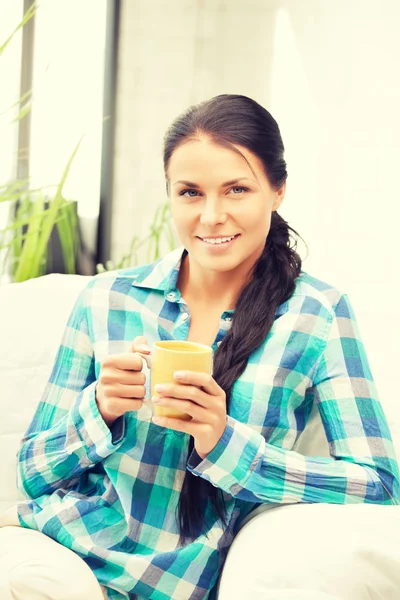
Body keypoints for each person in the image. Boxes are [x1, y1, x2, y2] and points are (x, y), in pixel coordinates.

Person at [0, 94, 399, 600]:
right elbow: (32, 472)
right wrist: (98, 411)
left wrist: (225, 444)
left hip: (184, 583)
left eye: (236, 189)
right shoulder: (108, 300)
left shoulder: (317, 315)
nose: (211, 216)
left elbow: (379, 483)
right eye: (190, 192)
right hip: (59, 552)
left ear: (277, 192)